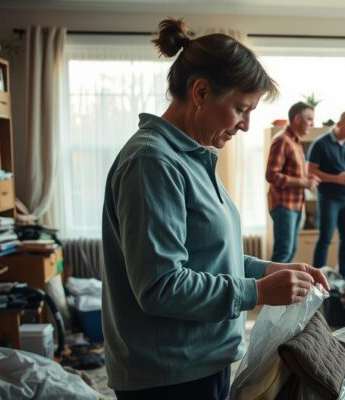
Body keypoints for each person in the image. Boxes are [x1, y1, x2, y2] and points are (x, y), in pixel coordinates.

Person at [101, 19, 329, 400]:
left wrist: (273, 270)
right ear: (201, 92)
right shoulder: (152, 163)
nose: (245, 125)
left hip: (202, 361)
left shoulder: (193, 158)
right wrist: (257, 291)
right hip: (169, 377)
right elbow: (161, 286)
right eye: (241, 108)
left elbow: (210, 257)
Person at [307, 111, 345, 278]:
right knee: (325, 238)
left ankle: (344, 275)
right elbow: (311, 171)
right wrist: (336, 179)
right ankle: (317, 277)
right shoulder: (320, 144)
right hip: (329, 198)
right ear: (338, 124)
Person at [266, 102, 321, 263]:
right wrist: (303, 182)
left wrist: (308, 180)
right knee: (283, 253)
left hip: (295, 205)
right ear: (297, 119)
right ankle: (269, 288)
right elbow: (271, 175)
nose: (313, 123)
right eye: (309, 119)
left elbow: (293, 173)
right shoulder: (282, 140)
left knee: (290, 253)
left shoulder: (295, 142)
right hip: (284, 205)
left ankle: (281, 288)